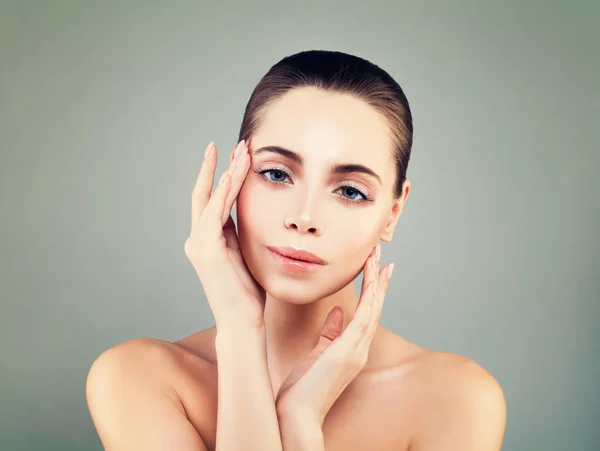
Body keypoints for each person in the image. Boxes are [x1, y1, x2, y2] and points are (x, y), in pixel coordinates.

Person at [85, 50, 506, 450]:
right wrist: (239, 332)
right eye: (275, 173)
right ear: (235, 178)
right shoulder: (138, 378)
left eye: (350, 191)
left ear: (392, 213)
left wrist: (299, 420)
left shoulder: (455, 399)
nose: (304, 217)